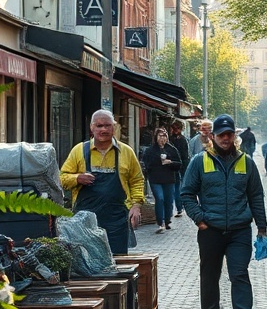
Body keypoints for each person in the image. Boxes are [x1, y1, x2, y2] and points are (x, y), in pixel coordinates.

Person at [180, 113, 267, 309]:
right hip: (210, 230)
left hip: (239, 230)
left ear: (234, 137)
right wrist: (199, 218)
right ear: (213, 136)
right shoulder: (199, 161)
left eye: (229, 134)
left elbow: (256, 196)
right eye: (221, 135)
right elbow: (186, 193)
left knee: (239, 273)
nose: (226, 138)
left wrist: (262, 227)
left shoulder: (246, 162)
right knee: (210, 275)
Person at [60, 109, 145, 256]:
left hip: (117, 219)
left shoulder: (126, 152)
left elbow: (137, 180)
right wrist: (77, 178)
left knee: (118, 263)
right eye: (99, 126)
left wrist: (136, 205)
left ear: (114, 127)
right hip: (85, 222)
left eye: (107, 125)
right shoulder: (78, 151)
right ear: (92, 128)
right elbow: (61, 179)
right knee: (88, 262)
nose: (103, 129)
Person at [142, 126, 182, 233]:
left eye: (164, 136)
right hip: (155, 179)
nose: (162, 138)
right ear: (156, 137)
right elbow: (146, 164)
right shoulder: (150, 150)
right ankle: (161, 222)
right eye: (160, 136)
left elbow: (179, 164)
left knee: (168, 201)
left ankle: (167, 220)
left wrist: (170, 162)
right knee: (159, 198)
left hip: (169, 179)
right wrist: (157, 160)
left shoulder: (172, 149)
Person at [168, 119, 191, 217]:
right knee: (177, 187)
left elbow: (185, 156)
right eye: (174, 128)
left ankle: (179, 207)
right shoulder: (172, 139)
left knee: (178, 187)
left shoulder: (180, 140)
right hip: (174, 166)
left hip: (179, 166)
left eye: (177, 128)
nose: (176, 130)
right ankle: (179, 207)